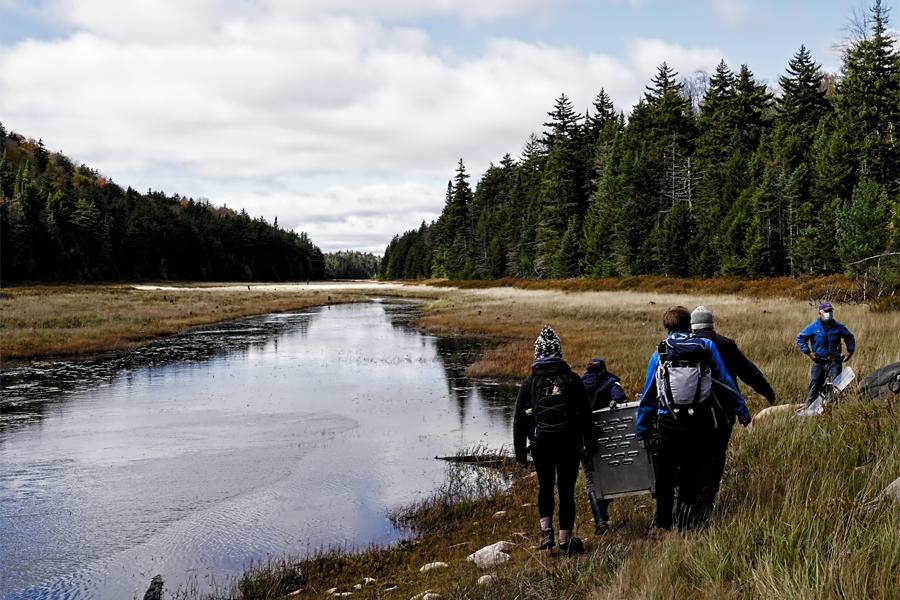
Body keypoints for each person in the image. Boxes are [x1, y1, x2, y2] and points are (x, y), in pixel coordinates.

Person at [636, 306, 751, 532]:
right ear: (689, 324)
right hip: (699, 421)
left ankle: (662, 522)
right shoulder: (706, 347)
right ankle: (686, 522)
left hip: (668, 421)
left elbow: (649, 395)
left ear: (666, 327)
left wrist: (642, 430)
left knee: (666, 473)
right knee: (692, 471)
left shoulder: (660, 351)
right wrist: (742, 411)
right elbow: (725, 382)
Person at [514, 326, 597, 555]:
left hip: (541, 445)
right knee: (566, 491)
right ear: (559, 351)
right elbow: (586, 416)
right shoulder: (572, 379)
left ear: (537, 353)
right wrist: (591, 444)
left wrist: (521, 454)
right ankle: (565, 541)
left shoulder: (530, 382)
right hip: (569, 443)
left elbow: (519, 420)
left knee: (545, 486)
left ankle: (546, 533)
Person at [691, 305, 775, 516]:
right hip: (724, 410)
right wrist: (767, 391)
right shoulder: (725, 343)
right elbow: (748, 371)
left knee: (694, 456)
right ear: (711, 323)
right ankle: (706, 502)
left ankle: (689, 503)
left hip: (690, 413)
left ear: (693, 325)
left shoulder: (684, 344)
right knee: (716, 456)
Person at [580, 358, 628, 535]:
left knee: (591, 480)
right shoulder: (610, 382)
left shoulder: (578, 384)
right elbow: (621, 399)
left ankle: (600, 521)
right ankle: (602, 515)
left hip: (583, 441)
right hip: (608, 441)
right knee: (612, 478)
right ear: (604, 369)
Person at [796, 302, 855, 406]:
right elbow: (800, 338)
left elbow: (849, 337)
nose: (829, 313)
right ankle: (809, 408)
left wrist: (850, 352)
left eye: (830, 311)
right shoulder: (813, 327)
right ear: (820, 313)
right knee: (814, 386)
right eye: (826, 311)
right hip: (819, 362)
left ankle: (832, 409)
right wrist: (809, 353)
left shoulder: (838, 327)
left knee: (835, 388)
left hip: (835, 362)